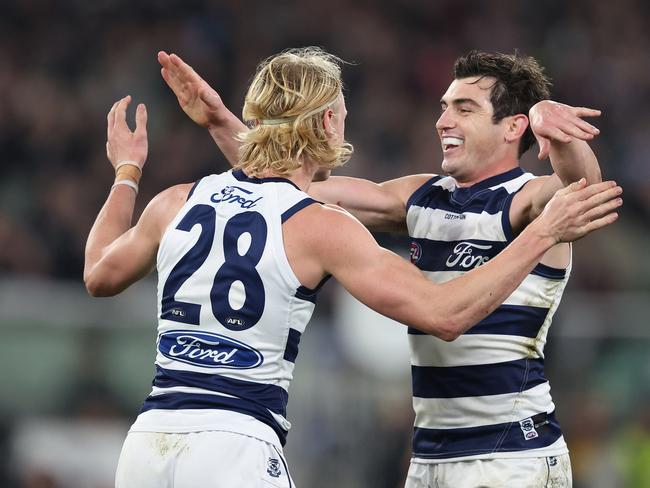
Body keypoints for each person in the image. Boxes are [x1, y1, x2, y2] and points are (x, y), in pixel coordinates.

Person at [85, 48, 619, 488]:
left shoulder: (529, 199)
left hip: (510, 451)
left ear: (514, 127)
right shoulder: (416, 197)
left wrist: (563, 134)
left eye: (464, 108)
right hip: (429, 456)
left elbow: (582, 190)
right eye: (443, 105)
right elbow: (284, 194)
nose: (443, 120)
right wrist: (228, 122)